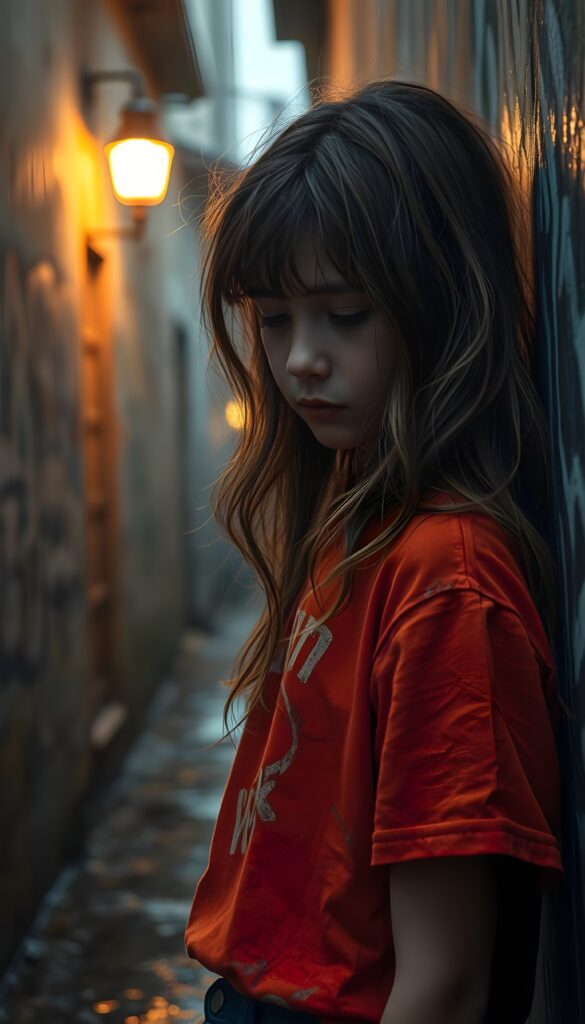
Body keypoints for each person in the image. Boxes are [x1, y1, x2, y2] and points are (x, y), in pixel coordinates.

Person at [183, 78, 566, 1024]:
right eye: (273, 320)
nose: (299, 359)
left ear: (439, 305)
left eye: (343, 315)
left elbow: (443, 985)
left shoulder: (445, 580)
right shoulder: (364, 519)